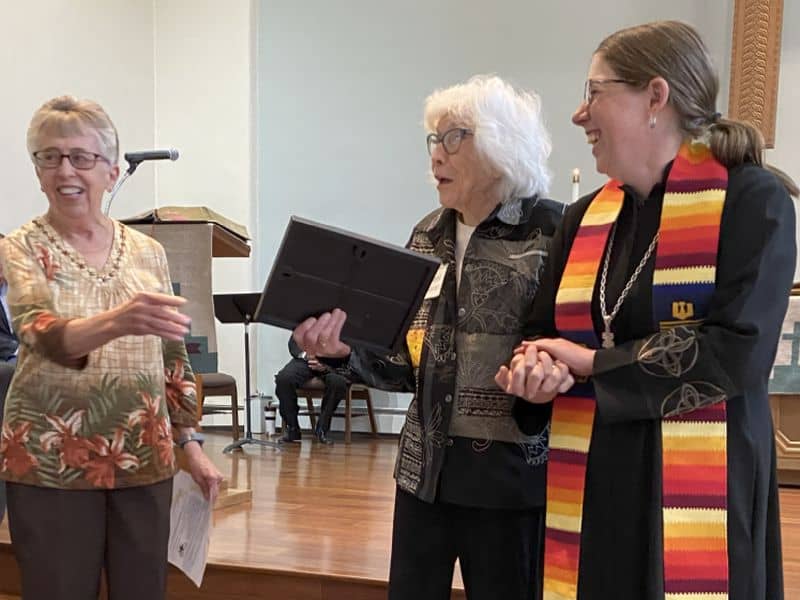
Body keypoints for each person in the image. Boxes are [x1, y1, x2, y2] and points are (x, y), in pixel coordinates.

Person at [496, 21, 798, 600]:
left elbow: (738, 352)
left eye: (594, 93)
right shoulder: (584, 217)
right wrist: (535, 371)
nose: (578, 115)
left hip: (702, 481)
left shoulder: (750, 201)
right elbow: (539, 331)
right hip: (595, 475)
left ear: (655, 97)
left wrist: (588, 364)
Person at [294, 75, 564, 600]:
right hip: (424, 474)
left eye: (451, 138)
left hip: (511, 477)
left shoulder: (551, 231)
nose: (435, 156)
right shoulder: (428, 234)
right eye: (432, 141)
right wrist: (344, 351)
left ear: (498, 143)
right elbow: (401, 360)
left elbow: (570, 351)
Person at [0, 95, 224, 600]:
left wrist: (190, 444)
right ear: (37, 171)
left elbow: (173, 358)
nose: (65, 171)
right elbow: (41, 331)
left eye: (82, 157)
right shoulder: (20, 247)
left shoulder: (148, 251)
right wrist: (118, 321)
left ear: (112, 170)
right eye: (49, 157)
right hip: (52, 461)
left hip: (145, 455)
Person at [275, 334, 349, 444]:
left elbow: (348, 348)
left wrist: (325, 362)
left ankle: (322, 430)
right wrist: (306, 355)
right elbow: (294, 342)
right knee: (284, 379)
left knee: (338, 382)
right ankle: (292, 428)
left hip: (332, 362)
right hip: (305, 360)